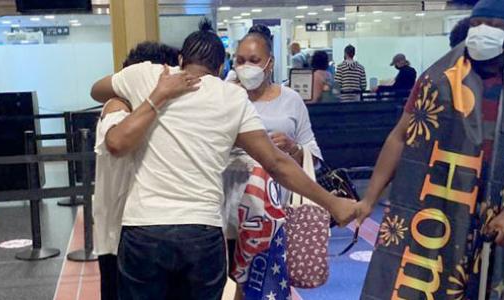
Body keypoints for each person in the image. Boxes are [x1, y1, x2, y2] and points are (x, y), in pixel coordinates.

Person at [90, 20, 359, 300]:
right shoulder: (232, 97)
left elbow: (97, 90)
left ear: (181, 59)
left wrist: (129, 101)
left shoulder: (147, 75)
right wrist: (332, 203)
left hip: (144, 228)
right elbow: (276, 163)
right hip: (202, 231)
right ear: (221, 69)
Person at [357, 1, 504, 299]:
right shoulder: (436, 79)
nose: (483, 31)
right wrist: (369, 198)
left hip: (493, 214)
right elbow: (399, 137)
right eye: (477, 24)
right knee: (416, 280)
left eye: (494, 26)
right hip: (434, 204)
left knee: (496, 284)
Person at [222, 24, 324, 298]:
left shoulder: (291, 100)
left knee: (272, 284)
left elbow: (314, 154)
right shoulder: (225, 97)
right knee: (235, 284)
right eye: (240, 60)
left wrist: (293, 149)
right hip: (230, 213)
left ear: (269, 63)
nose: (246, 67)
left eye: (254, 60)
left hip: (278, 212)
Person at [92, 41, 181, 300]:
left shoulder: (162, 112)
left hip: (152, 233)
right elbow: (118, 142)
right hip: (118, 238)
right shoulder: (117, 107)